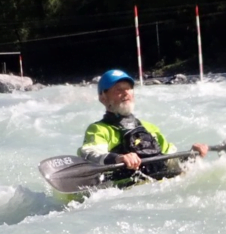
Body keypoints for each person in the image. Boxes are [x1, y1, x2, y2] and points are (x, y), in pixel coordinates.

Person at [78, 69, 209, 184]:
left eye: (128, 88)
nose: (126, 93)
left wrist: (191, 155)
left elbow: (171, 160)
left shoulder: (149, 127)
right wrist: (118, 158)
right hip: (125, 190)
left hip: (160, 185)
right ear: (103, 97)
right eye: (118, 89)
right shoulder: (98, 129)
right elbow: (90, 154)